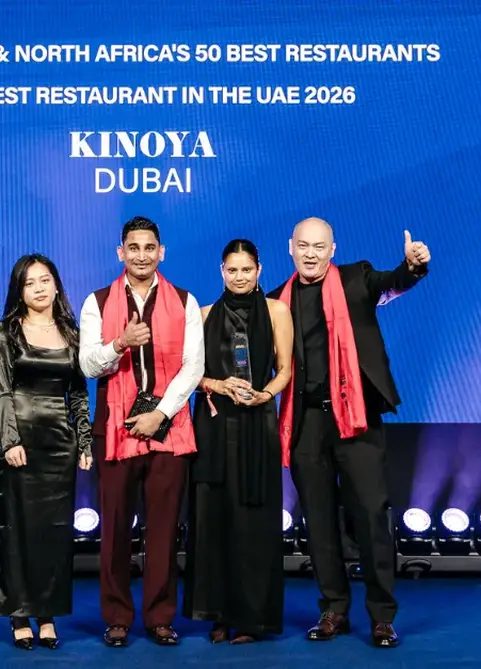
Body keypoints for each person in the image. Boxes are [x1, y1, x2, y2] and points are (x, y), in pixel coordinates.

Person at [267, 218, 431, 648]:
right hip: (306, 422)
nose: (310, 254)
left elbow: (392, 283)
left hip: (356, 416)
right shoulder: (276, 302)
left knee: (372, 514)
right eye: (303, 246)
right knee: (318, 519)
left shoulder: (357, 279)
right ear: (290, 247)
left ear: (332, 249)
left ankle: (382, 616)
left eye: (319, 246)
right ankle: (334, 609)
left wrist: (412, 267)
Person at [79, 216, 205, 648]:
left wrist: (161, 415)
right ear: (121, 253)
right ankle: (117, 618)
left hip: (168, 429)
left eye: (149, 247)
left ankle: (159, 618)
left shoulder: (185, 301)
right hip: (116, 428)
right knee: (114, 530)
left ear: (161, 252)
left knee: (164, 530)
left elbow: (194, 367)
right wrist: (120, 343)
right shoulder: (97, 302)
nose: (141, 255)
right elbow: (88, 364)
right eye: (133, 247)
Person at [182, 239, 293, 644]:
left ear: (259, 270)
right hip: (214, 425)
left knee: (254, 522)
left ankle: (252, 617)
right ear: (221, 271)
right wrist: (218, 385)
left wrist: (266, 394)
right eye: (233, 270)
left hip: (257, 423)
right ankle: (218, 613)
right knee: (214, 519)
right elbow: (188, 374)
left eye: (247, 269)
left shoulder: (278, 310)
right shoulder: (203, 314)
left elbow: (286, 369)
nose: (240, 277)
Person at [0, 253, 94, 651]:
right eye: (29, 282)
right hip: (20, 442)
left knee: (54, 533)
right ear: (19, 291)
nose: (38, 288)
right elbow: (2, 392)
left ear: (56, 285)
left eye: (45, 279)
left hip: (59, 444)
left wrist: (84, 442)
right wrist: (10, 441)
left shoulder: (71, 332)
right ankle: (20, 614)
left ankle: (47, 614)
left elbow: (79, 394)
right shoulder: (8, 332)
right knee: (19, 531)